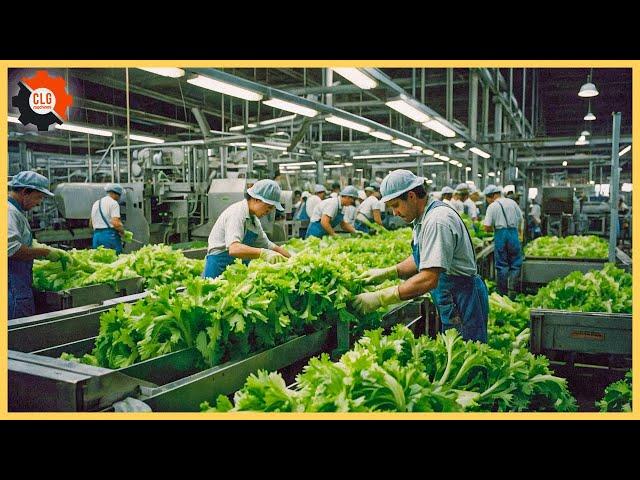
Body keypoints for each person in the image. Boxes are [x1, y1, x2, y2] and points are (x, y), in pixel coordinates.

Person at [353, 170, 489, 342]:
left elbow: (428, 278)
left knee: (466, 356)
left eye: (395, 205)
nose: (394, 213)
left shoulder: (437, 221)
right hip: (452, 297)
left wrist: (381, 297)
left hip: (462, 299)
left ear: (411, 196)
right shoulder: (422, 218)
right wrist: (390, 272)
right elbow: (423, 258)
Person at [8, 171, 69, 319]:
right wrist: (44, 252)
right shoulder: (9, 212)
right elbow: (10, 249)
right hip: (13, 288)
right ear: (25, 192)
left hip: (18, 285)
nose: (39, 202)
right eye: (38, 197)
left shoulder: (15, 211)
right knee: (19, 335)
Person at [203, 180, 291, 279]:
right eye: (269, 207)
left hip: (234, 271)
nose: (269, 211)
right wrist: (263, 253)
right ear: (256, 199)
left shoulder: (254, 220)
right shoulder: (237, 213)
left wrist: (292, 258)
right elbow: (234, 248)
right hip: (218, 268)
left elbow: (268, 245)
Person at [483, 184, 523, 296]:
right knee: (515, 263)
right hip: (513, 234)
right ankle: (513, 289)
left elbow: (486, 227)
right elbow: (520, 218)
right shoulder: (512, 203)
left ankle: (503, 292)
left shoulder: (492, 207)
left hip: (501, 235)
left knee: (502, 265)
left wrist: (493, 228)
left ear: (492, 196)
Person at [90, 183, 127, 254]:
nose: (119, 198)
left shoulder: (96, 203)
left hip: (96, 237)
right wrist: (123, 232)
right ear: (115, 194)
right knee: (115, 262)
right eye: (119, 196)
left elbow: (91, 223)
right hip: (109, 237)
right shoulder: (113, 203)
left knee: (99, 261)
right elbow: (116, 223)